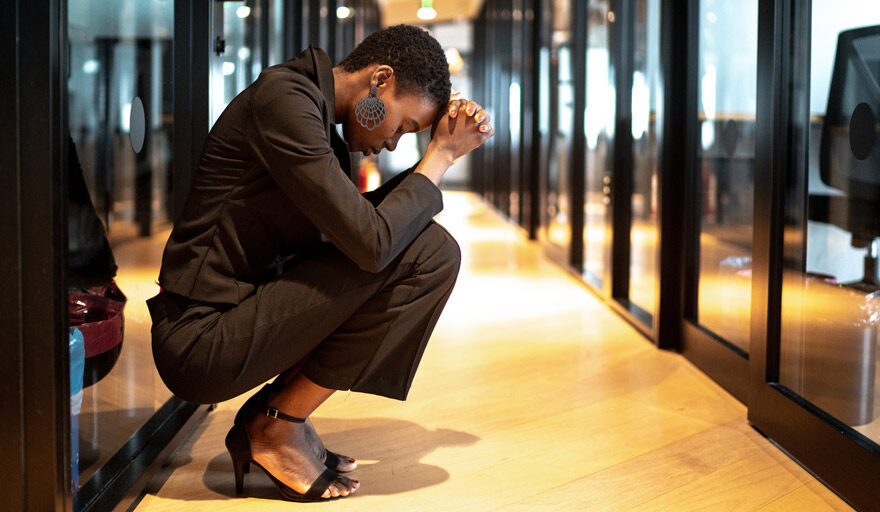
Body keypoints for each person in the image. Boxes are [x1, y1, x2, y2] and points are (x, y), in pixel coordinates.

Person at [147, 24, 493, 502]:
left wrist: (437, 152)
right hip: (200, 339)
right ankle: (276, 425)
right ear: (380, 81)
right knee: (428, 253)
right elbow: (372, 244)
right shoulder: (284, 104)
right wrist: (440, 157)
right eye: (405, 126)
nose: (394, 142)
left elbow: (362, 233)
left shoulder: (313, 115)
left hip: (242, 314)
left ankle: (279, 417)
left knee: (431, 250)